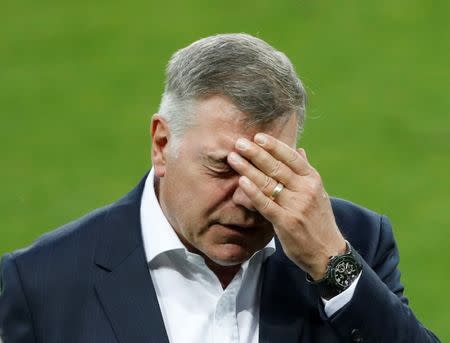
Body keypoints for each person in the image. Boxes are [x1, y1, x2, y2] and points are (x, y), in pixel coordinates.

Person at [0, 33, 440, 343]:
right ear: (161, 144)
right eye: (223, 167)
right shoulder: (42, 283)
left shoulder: (353, 243)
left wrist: (331, 263)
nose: (248, 198)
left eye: (267, 170)